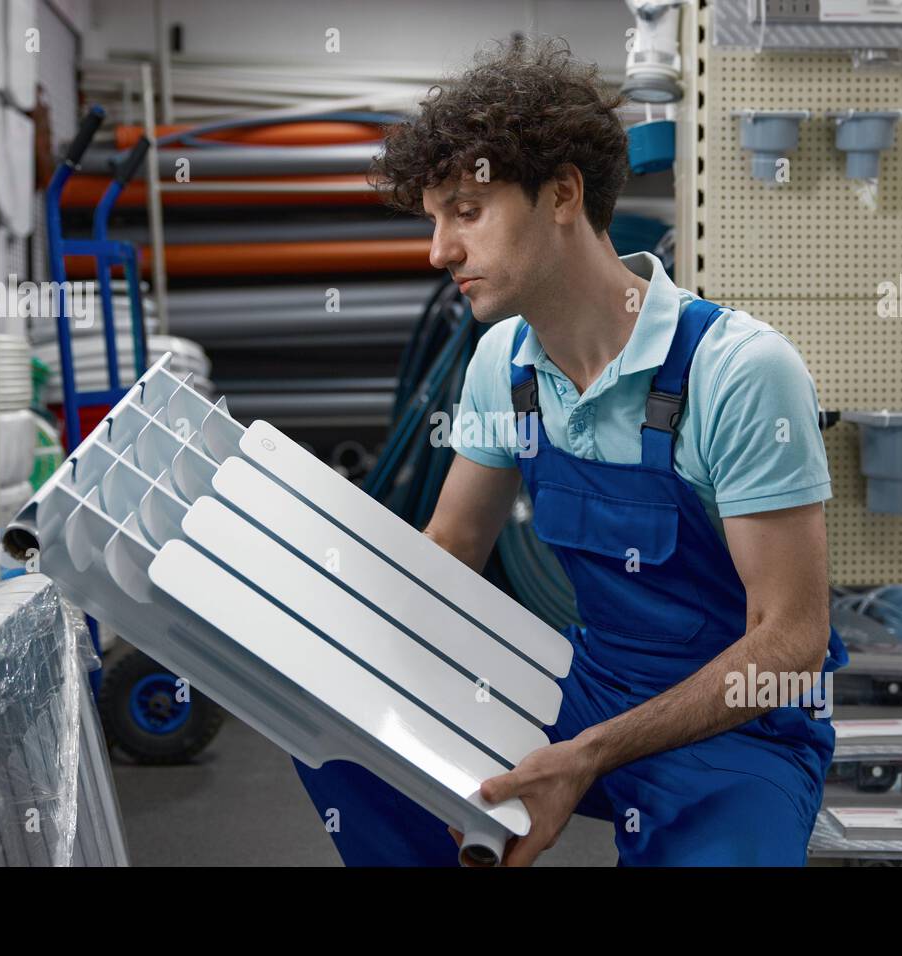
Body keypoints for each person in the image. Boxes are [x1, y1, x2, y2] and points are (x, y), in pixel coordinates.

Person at [292, 35, 847, 867]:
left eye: (466, 212)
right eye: (435, 220)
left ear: (561, 194)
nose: (439, 251)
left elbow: (793, 640)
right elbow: (450, 554)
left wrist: (587, 757)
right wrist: (301, 621)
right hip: (582, 688)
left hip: (737, 726)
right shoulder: (502, 363)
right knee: (333, 735)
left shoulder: (737, 371)